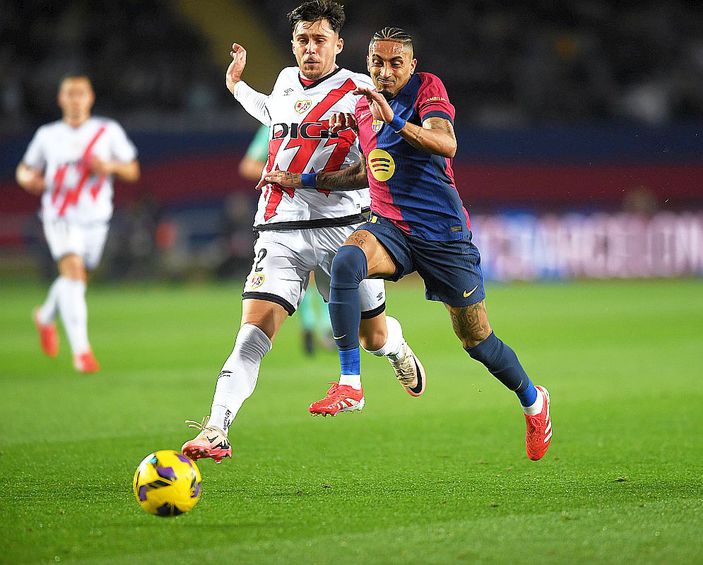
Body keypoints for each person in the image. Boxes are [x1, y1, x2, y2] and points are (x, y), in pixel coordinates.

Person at [265, 28, 552, 461]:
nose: (385, 71)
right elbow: (366, 171)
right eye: (377, 63)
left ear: (411, 65)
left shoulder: (427, 90)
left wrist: (396, 119)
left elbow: (447, 143)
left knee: (478, 342)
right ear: (368, 64)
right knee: (346, 262)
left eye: (395, 63)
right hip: (391, 230)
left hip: (443, 237)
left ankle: (534, 401)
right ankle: (350, 383)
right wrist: (302, 180)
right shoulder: (362, 104)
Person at [181, 1, 425, 463]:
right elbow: (273, 112)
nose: (310, 49)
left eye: (319, 40)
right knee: (252, 335)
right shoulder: (285, 81)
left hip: (345, 233)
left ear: (338, 44)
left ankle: (396, 348)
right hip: (281, 228)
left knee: (371, 338)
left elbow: (379, 163)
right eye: (302, 40)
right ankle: (216, 427)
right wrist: (236, 85)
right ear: (294, 43)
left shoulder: (362, 89)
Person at [16, 74, 140, 374]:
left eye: (80, 93)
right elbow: (24, 168)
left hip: (96, 218)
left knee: (76, 279)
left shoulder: (107, 131)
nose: (74, 99)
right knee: (72, 272)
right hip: (59, 215)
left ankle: (45, 316)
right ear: (61, 99)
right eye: (69, 94)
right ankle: (82, 353)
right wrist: (26, 179)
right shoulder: (48, 134)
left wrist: (108, 165)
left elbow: (132, 169)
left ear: (90, 97)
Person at [240, 125, 334, 356]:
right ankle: (317, 327)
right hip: (287, 213)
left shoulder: (328, 118)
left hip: (326, 209)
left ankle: (320, 327)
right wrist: (282, 174)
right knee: (303, 270)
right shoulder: (276, 122)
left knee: (323, 270)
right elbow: (248, 166)